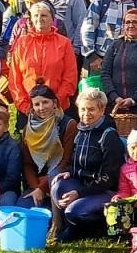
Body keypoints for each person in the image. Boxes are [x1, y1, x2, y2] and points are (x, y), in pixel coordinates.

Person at [48, 86, 125, 240]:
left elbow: (109, 179)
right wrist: (69, 170)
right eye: (82, 109)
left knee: (74, 212)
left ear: (101, 110)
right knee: (55, 176)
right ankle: (60, 225)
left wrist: (79, 193)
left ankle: (90, 228)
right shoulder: (81, 131)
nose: (86, 114)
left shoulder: (109, 136)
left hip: (104, 190)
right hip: (82, 183)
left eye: (91, 109)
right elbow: (74, 162)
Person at [6, 1, 79, 121]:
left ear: (52, 19)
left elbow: (70, 77)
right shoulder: (21, 43)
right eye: (35, 16)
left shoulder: (64, 43)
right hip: (28, 110)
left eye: (44, 15)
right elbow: (15, 79)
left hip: (58, 109)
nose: (39, 19)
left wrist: (55, 103)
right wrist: (25, 106)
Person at [18, 85, 64, 207]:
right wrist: (37, 188)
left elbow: (65, 161)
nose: (41, 108)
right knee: (23, 208)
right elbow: (27, 164)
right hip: (36, 183)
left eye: (45, 102)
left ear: (54, 103)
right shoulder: (28, 129)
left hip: (59, 181)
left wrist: (43, 188)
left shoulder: (68, 124)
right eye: (37, 104)